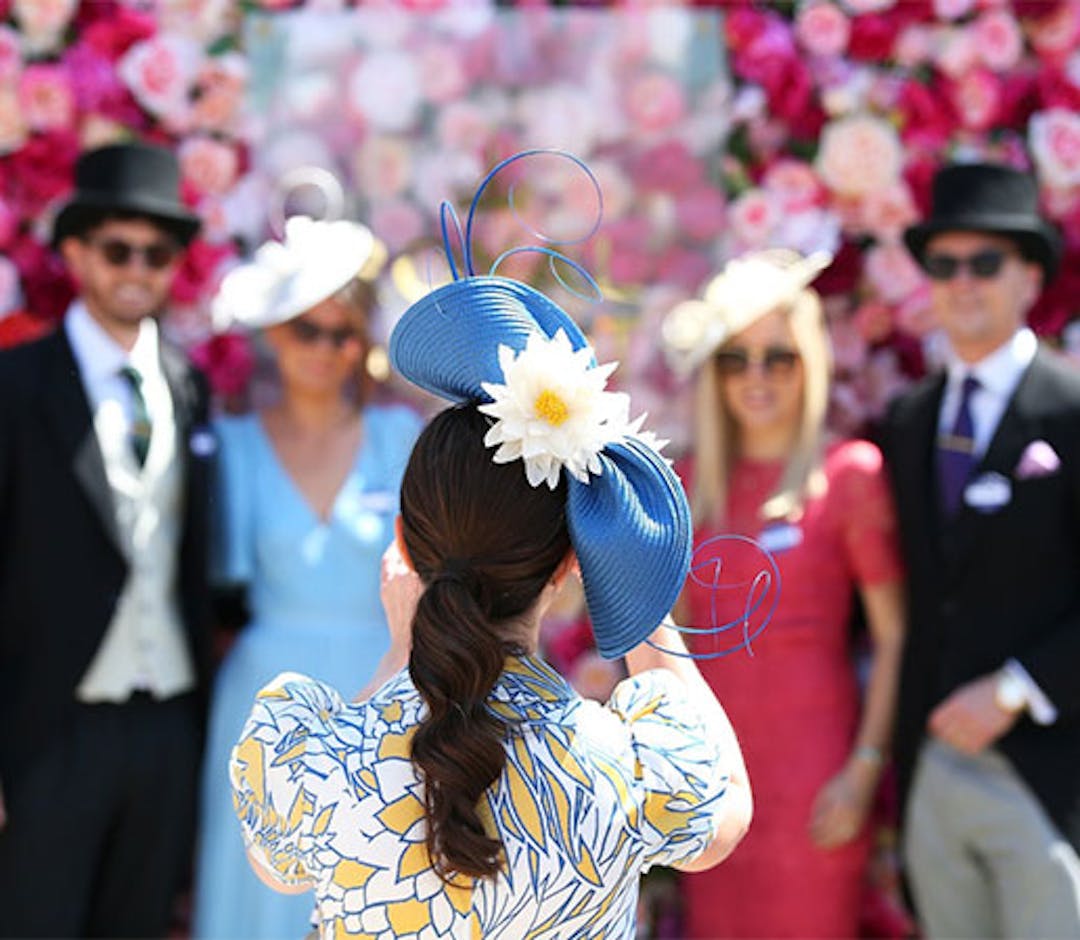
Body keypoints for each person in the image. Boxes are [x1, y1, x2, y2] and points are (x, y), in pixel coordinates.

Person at [228, 152, 752, 939]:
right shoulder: (625, 762)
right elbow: (723, 818)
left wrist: (398, 653)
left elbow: (277, 862)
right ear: (572, 563)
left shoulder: (311, 760)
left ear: (402, 541)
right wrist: (634, 590)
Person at [0, 141, 213, 937]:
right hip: (49, 724)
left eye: (157, 253)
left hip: (164, 726)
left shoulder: (189, 387)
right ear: (76, 253)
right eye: (118, 248)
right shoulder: (17, 387)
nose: (137, 268)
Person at [663, 249, 906, 939]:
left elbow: (893, 637)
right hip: (716, 786)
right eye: (735, 359)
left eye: (778, 357)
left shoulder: (848, 475)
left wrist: (862, 773)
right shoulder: (686, 486)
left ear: (810, 361)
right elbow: (670, 648)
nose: (757, 377)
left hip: (815, 777)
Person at [192, 215, 422, 940]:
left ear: (363, 342)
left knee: (371, 887)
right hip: (262, 700)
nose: (325, 350)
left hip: (378, 687)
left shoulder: (401, 437)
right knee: (258, 895)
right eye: (306, 331)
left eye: (342, 332)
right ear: (273, 334)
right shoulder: (230, 445)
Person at [883, 161, 1080, 938]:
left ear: (1030, 276)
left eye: (986, 263)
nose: (963, 283)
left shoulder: (1070, 412)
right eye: (945, 264)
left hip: (1049, 771)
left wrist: (1018, 687)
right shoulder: (907, 419)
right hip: (931, 771)